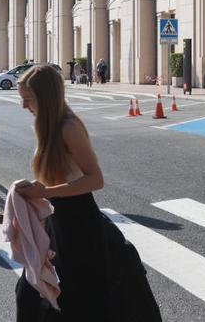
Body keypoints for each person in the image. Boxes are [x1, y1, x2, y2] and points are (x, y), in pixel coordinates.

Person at [13, 64, 144, 321]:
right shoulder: (47, 126)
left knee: (77, 300)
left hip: (79, 224)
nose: (24, 106)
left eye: (27, 100)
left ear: (45, 98)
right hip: (58, 220)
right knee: (33, 293)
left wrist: (46, 191)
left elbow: (96, 179)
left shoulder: (68, 127)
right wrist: (35, 191)